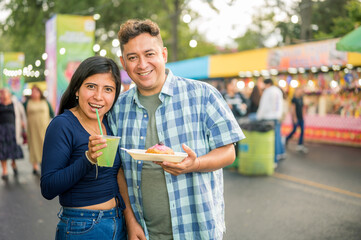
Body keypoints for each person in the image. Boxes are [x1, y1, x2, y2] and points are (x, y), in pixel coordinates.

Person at [107, 19, 245, 239]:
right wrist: (131, 221)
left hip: (197, 228)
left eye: (149, 54)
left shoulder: (203, 95)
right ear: (124, 63)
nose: (142, 64)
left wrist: (195, 163)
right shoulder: (117, 109)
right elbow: (118, 170)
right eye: (133, 57)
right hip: (143, 231)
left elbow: (229, 152)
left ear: (163, 55)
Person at [40, 56, 145, 239]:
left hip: (117, 222)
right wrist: (88, 159)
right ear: (77, 89)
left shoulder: (109, 122)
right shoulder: (62, 125)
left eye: (108, 89)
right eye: (91, 86)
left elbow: (117, 174)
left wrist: (130, 221)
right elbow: (48, 188)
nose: (98, 96)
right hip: (82, 227)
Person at [24, 85, 54, 175]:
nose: (34, 93)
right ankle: (35, 166)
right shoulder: (27, 103)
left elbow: (52, 114)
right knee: (33, 145)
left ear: (40, 92)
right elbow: (22, 114)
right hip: (32, 129)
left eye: (36, 91)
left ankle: (44, 164)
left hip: (44, 128)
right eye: (32, 92)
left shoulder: (45, 102)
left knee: (44, 145)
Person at [0, 88, 27, 180]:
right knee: (2, 150)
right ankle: (4, 170)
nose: (3, 95)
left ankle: (13, 163)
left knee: (12, 149)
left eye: (4, 93)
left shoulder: (15, 103)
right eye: (1, 93)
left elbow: (22, 115)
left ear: (9, 94)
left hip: (13, 130)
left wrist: (24, 125)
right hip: (1, 131)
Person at [256, 78, 285, 164]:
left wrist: (259, 116)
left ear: (267, 84)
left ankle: (274, 160)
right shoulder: (278, 91)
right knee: (277, 136)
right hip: (277, 117)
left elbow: (264, 106)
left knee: (272, 139)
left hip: (268, 117)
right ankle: (280, 153)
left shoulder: (267, 91)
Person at [285, 87, 308, 153]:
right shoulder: (294, 99)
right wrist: (294, 118)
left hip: (301, 118)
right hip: (296, 117)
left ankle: (300, 144)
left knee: (302, 131)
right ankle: (286, 139)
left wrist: (303, 114)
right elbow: (293, 109)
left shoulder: (301, 98)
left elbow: (303, 107)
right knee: (294, 130)